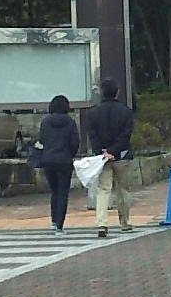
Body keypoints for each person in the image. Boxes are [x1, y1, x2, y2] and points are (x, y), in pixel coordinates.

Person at [86, 77, 135, 238]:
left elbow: (92, 136)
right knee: (123, 190)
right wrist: (114, 151)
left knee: (103, 189)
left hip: (102, 158)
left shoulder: (93, 113)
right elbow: (126, 135)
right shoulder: (126, 112)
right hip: (122, 155)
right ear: (117, 92)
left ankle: (102, 223)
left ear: (101, 92)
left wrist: (102, 151)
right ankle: (125, 222)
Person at [35, 94, 79, 234]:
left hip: (48, 160)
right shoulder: (70, 122)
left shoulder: (45, 122)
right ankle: (60, 225)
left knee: (54, 192)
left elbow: (41, 139)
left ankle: (53, 221)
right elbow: (75, 143)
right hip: (64, 160)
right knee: (63, 193)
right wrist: (70, 154)